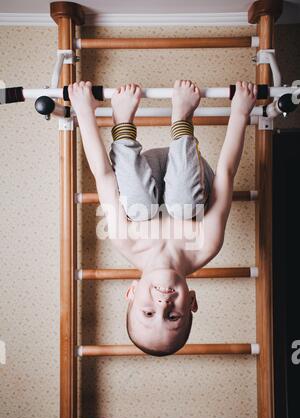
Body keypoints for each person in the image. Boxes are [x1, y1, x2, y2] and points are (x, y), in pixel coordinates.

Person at [68, 79, 257, 356]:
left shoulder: (127, 242)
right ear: (191, 302)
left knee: (138, 209)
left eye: (148, 312)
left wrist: (85, 112)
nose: (162, 304)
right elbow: (225, 175)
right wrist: (240, 112)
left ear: (131, 293)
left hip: (148, 170)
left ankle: (122, 123)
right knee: (183, 208)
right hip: (190, 176)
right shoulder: (206, 246)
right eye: (173, 317)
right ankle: (182, 118)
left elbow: (104, 176)